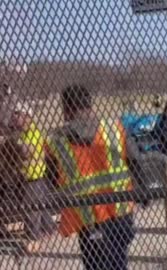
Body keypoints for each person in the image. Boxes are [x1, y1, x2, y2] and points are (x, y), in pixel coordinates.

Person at [44, 85, 145, 270]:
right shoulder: (115, 129)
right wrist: (142, 194)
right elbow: (136, 162)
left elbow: (51, 178)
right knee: (118, 262)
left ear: (67, 110)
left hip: (88, 218)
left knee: (96, 265)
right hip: (121, 211)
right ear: (90, 105)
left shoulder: (56, 141)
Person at [10, 101, 56, 252]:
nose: (15, 118)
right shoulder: (22, 133)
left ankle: (33, 239)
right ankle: (49, 229)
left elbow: (27, 153)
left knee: (31, 209)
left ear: (28, 117)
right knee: (41, 205)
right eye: (15, 114)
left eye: (19, 115)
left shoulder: (33, 133)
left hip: (33, 177)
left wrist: (13, 145)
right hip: (34, 177)